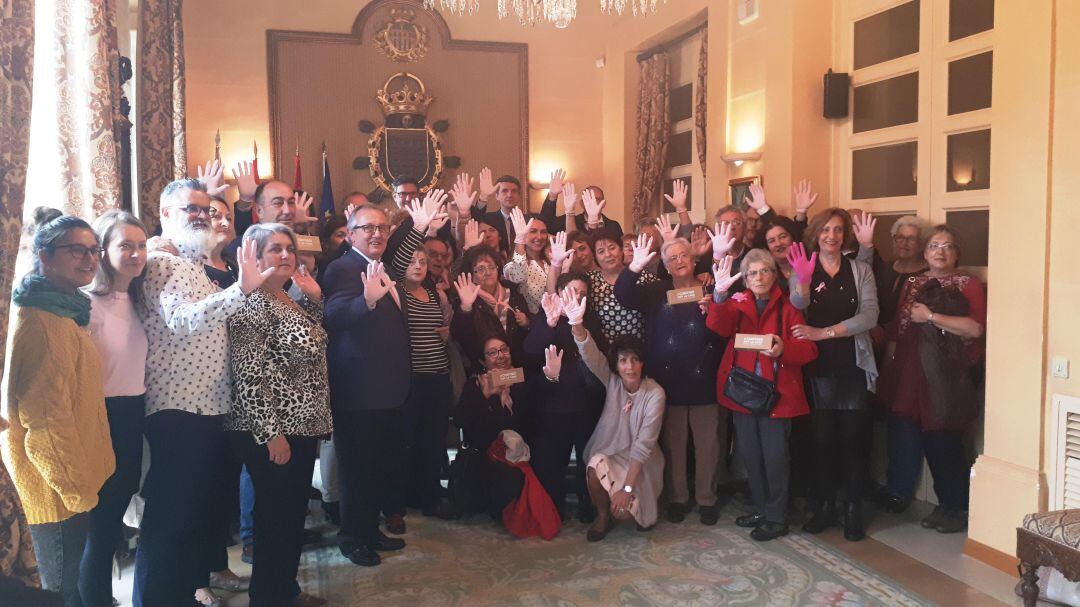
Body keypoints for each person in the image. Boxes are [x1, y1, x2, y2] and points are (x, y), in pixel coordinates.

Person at [133, 179, 273, 606]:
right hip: (178, 410)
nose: (200, 215)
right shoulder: (161, 262)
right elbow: (182, 321)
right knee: (170, 520)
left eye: (204, 208)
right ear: (165, 215)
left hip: (212, 408)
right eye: (188, 208)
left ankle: (183, 595)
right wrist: (241, 290)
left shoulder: (199, 267)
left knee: (194, 519)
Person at [322, 199, 442, 567]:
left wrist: (418, 226)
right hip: (359, 393)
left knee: (379, 469)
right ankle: (352, 537)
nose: (376, 233)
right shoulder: (342, 268)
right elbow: (335, 315)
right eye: (367, 228)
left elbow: (404, 248)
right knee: (358, 472)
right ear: (352, 234)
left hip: (390, 392)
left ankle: (370, 531)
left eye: (382, 228)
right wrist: (367, 303)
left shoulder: (385, 267)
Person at [2, 215, 115, 606]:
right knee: (58, 595)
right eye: (76, 250)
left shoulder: (63, 313)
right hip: (55, 491)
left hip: (69, 480)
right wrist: (77, 491)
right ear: (45, 257)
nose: (89, 259)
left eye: (94, 250)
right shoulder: (42, 324)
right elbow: (44, 424)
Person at [226, 224, 331, 607]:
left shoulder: (287, 298)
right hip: (273, 429)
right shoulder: (252, 301)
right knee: (275, 521)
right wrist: (271, 434)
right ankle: (268, 598)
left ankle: (285, 591)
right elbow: (248, 376)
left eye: (289, 248)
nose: (286, 255)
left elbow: (310, 345)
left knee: (289, 519)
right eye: (275, 249)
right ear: (253, 255)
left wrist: (315, 301)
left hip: (300, 425)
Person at [705, 250, 819, 541]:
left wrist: (784, 349)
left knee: (775, 458)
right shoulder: (737, 301)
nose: (759, 278)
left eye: (765, 271)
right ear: (744, 278)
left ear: (774, 274)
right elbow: (718, 326)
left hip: (777, 396)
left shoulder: (789, 306)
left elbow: (809, 350)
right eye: (753, 273)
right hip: (743, 393)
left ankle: (776, 517)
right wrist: (718, 296)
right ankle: (762, 508)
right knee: (751, 457)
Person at [879, 226, 985, 532]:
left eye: (948, 246)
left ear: (956, 254)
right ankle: (939, 503)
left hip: (947, 377)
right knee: (913, 435)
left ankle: (957, 506)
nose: (940, 251)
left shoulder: (969, 284)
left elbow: (974, 329)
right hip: (911, 371)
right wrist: (890, 368)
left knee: (944, 439)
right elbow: (899, 329)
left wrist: (932, 317)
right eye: (935, 245)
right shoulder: (914, 282)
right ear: (925, 254)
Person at [615, 234, 726, 525]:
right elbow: (623, 295)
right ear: (664, 265)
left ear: (693, 259)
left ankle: (706, 499)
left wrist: (714, 306)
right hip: (667, 383)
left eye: (683, 255)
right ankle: (678, 498)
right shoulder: (656, 291)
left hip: (704, 380)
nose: (679, 261)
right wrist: (635, 267)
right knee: (674, 445)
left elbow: (726, 324)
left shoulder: (710, 288)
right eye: (672, 258)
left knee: (707, 446)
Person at [792, 208, 880, 542]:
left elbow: (870, 316)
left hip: (853, 364)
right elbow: (797, 304)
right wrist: (800, 279)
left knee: (853, 442)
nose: (832, 236)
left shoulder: (861, 270)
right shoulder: (805, 266)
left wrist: (824, 332)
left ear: (846, 235)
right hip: (817, 368)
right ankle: (825, 506)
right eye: (826, 230)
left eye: (839, 230)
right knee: (822, 442)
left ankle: (853, 509)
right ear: (816, 233)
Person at [80, 211, 149, 607]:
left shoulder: (140, 300)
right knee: (101, 526)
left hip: (133, 415)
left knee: (113, 521)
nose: (136, 253)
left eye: (141, 245)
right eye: (125, 245)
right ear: (104, 251)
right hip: (101, 417)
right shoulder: (85, 303)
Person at [558, 293, 665, 540]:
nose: (630, 367)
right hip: (612, 452)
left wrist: (626, 489)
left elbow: (643, 446)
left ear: (642, 363)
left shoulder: (655, 393)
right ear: (616, 365)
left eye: (635, 360)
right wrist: (576, 325)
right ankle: (602, 516)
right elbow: (591, 356)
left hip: (642, 462)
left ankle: (636, 501)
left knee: (630, 514)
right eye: (624, 361)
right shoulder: (613, 382)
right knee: (594, 464)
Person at [526, 277, 607, 522]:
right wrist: (549, 324)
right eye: (572, 290)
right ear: (560, 292)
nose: (577, 296)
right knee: (553, 461)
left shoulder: (590, 319)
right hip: (553, 404)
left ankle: (587, 505)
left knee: (586, 458)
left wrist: (578, 324)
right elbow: (530, 350)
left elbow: (600, 358)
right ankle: (553, 508)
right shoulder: (547, 314)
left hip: (585, 403)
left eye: (582, 293)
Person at [391, 247, 455, 517]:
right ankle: (403, 498)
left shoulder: (435, 294)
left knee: (433, 440)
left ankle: (429, 495)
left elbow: (450, 327)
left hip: (438, 377)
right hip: (411, 380)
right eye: (412, 260)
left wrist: (448, 332)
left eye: (423, 262)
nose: (418, 265)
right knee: (406, 442)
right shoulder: (396, 295)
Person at [453, 337, 536, 519]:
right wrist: (485, 396)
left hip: (517, 456)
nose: (500, 356)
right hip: (484, 457)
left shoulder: (522, 381)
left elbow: (529, 425)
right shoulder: (475, 384)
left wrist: (512, 393)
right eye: (492, 352)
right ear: (483, 361)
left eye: (504, 349)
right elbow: (461, 422)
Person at [451, 245, 530, 365]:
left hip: (517, 366)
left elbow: (528, 336)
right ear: (472, 275)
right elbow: (460, 336)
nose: (488, 272)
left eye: (492, 267)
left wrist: (527, 324)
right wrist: (466, 308)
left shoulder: (514, 295)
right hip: (485, 368)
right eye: (481, 269)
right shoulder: (467, 299)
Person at [587, 230, 656, 344]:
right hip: (606, 352)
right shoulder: (590, 280)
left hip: (641, 351)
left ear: (621, 250)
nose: (608, 254)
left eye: (612, 248)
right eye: (601, 251)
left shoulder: (644, 276)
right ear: (595, 257)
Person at [503, 209, 551, 314]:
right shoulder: (511, 265)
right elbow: (518, 276)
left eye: (543, 232)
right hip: (534, 324)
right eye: (533, 231)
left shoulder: (550, 261)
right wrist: (520, 239)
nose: (539, 236)